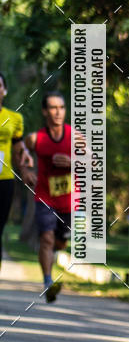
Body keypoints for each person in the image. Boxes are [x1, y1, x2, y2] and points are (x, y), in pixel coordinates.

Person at [23, 92, 74, 303]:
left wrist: (73, 163)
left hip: (68, 199)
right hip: (44, 196)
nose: (58, 112)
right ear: (45, 111)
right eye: (53, 108)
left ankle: (52, 252)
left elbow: (94, 164)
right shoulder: (36, 139)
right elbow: (22, 153)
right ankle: (47, 282)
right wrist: (25, 170)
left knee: (60, 243)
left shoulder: (75, 136)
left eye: (61, 107)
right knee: (46, 238)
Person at [0, 72, 33, 269]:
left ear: (4, 90)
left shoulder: (14, 118)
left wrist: (25, 168)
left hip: (4, 181)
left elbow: (19, 147)